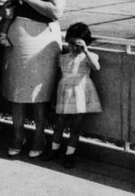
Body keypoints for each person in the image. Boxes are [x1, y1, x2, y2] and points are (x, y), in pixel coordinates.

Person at [2, 0, 68, 158]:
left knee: (38, 96)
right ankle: (17, 136)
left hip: (40, 43)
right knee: (17, 94)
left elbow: (56, 10)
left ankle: (39, 138)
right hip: (18, 42)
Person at [41, 22, 101, 169]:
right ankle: (54, 150)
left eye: (78, 44)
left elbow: (96, 67)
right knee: (59, 125)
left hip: (81, 95)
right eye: (71, 43)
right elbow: (58, 77)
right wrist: (55, 97)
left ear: (86, 43)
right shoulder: (63, 57)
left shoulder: (90, 56)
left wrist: (85, 50)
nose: (75, 47)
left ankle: (69, 154)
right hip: (65, 94)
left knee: (75, 127)